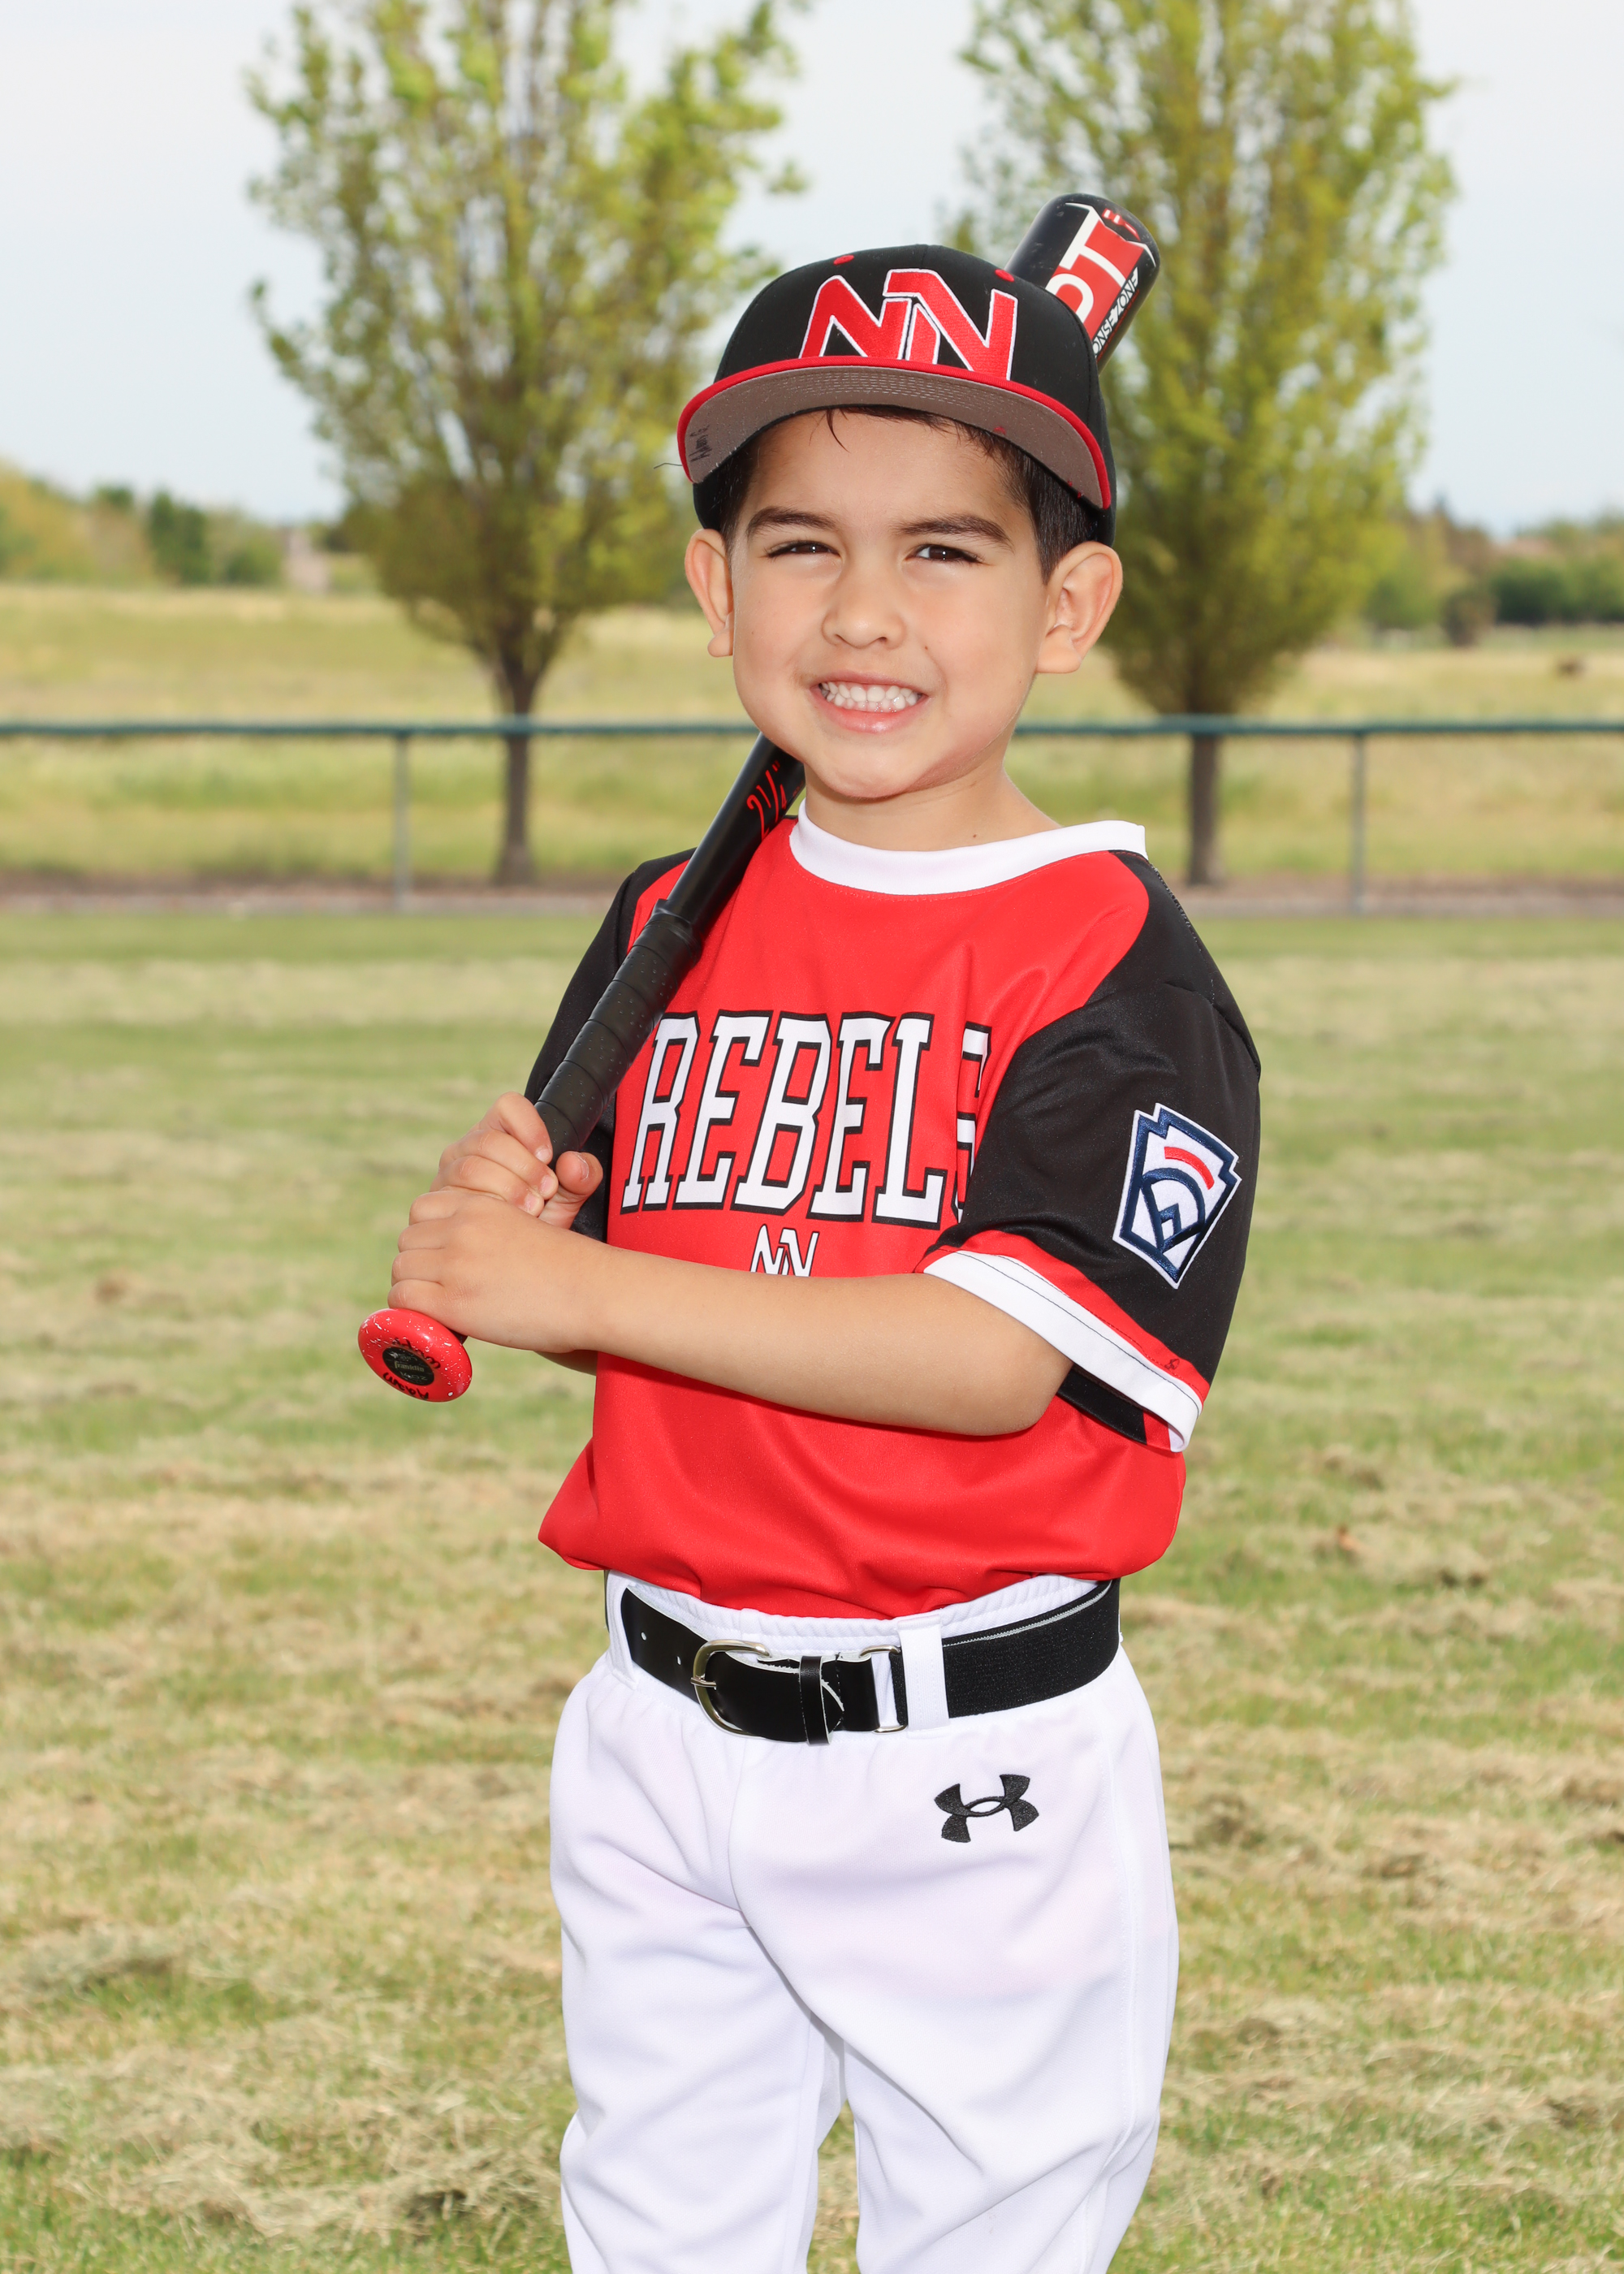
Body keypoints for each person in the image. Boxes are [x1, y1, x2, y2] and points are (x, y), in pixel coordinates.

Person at [389, 243, 1260, 2274]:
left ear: (1067, 606)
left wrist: (581, 1290)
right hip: (660, 1717)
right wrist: (527, 1240)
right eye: (801, 545)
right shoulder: (668, 915)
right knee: (653, 2226)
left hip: (966, 1753)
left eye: (945, 550)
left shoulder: (1113, 961)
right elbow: (675, 1287)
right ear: (717, 590)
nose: (864, 612)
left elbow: (984, 1355)